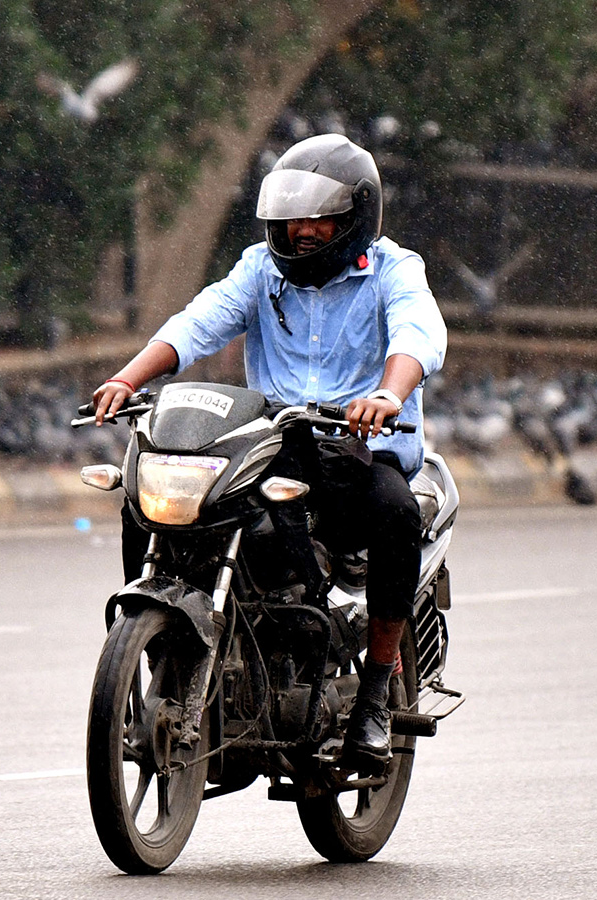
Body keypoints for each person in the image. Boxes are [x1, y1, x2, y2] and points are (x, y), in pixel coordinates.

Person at [91, 132, 447, 772]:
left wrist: (389, 395)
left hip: (357, 449)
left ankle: (372, 695)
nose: (303, 232)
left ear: (356, 217)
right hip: (275, 441)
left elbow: (419, 333)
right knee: (146, 499)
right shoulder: (260, 269)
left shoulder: (395, 269)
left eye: (320, 220)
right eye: (292, 221)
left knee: (396, 514)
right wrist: (128, 378)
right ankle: (166, 653)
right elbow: (199, 321)